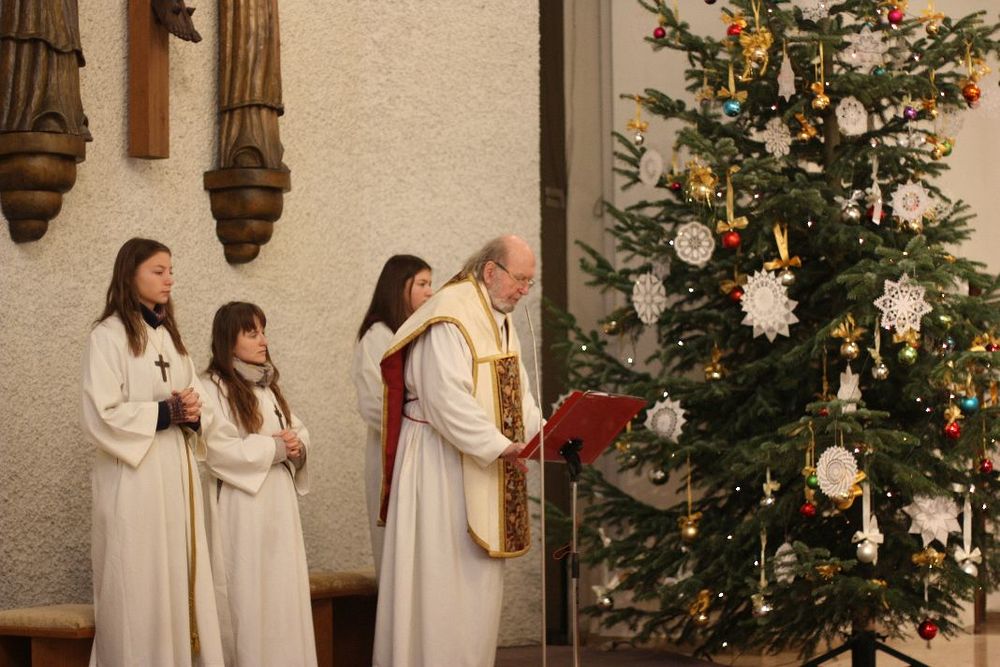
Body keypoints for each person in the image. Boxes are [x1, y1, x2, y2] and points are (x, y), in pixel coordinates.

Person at [373, 235, 542, 667]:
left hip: (483, 463)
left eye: (530, 282)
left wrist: (543, 435)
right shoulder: (450, 315)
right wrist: (502, 446)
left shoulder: (500, 318)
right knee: (439, 586)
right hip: (438, 463)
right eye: (520, 280)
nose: (524, 291)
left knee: (475, 593)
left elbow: (517, 392)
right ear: (491, 271)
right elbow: (445, 400)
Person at [81, 238, 224, 666]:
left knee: (177, 577)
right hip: (135, 480)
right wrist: (164, 412)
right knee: (139, 579)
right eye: (158, 271)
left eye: (171, 271)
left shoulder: (171, 340)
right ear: (130, 275)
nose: (169, 279)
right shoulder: (108, 336)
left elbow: (200, 402)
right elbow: (100, 412)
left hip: (175, 477)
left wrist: (193, 414)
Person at [200, 302, 317, 667]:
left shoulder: (267, 386)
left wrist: (297, 447)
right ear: (228, 340)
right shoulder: (213, 388)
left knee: (283, 596)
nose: (263, 340)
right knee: (250, 596)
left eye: (263, 332)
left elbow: (297, 429)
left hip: (279, 507)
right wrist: (275, 447)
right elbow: (216, 449)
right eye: (252, 333)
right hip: (243, 508)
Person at [351, 255, 433, 579]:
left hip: (419, 451)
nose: (430, 292)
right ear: (399, 287)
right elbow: (373, 402)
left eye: (430, 283)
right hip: (392, 453)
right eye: (422, 284)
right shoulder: (378, 336)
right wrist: (417, 419)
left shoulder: (415, 333)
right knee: (396, 552)